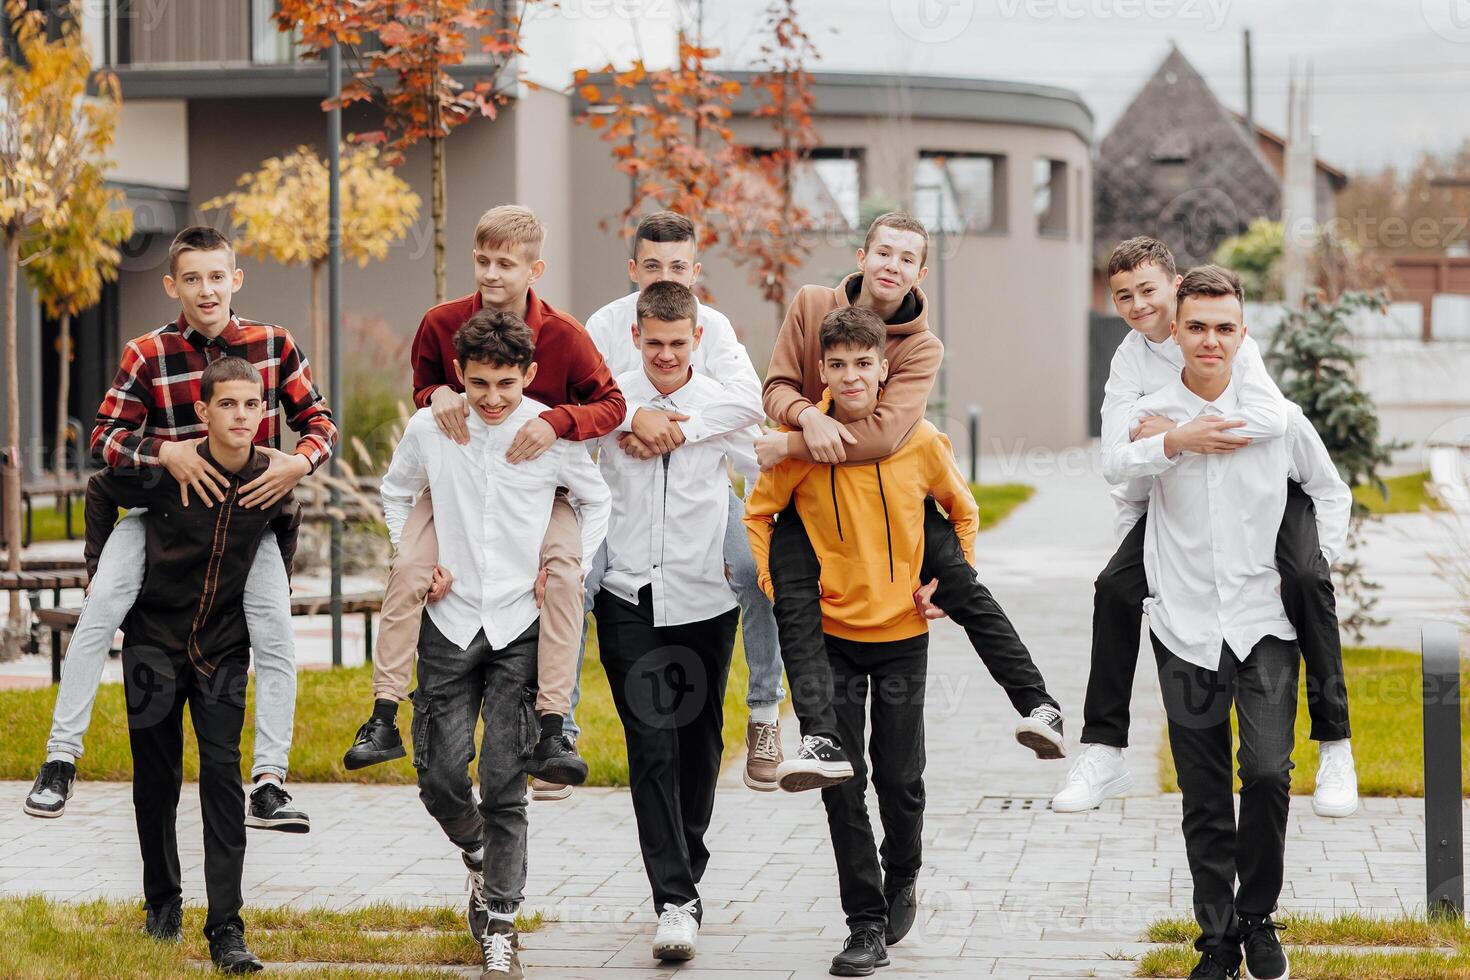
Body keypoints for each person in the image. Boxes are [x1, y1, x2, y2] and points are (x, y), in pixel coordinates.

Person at [25, 226, 333, 834]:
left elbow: (318, 420)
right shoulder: (147, 353)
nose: (206, 289)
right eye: (192, 278)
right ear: (173, 286)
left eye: (217, 276)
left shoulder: (274, 344)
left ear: (235, 279)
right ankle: (60, 760)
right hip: (159, 514)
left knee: (275, 634)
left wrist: (298, 462)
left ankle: (269, 783)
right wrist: (167, 453)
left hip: (248, 520)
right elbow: (105, 439)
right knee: (99, 610)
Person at [1053, 237, 1357, 819]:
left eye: (1148, 290)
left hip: (1270, 492)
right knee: (1114, 588)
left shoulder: (1220, 329)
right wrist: (1175, 439)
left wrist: (1182, 425)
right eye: (1123, 297)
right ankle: (1104, 748)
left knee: (1304, 577)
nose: (1139, 305)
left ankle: (1336, 744)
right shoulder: (1129, 359)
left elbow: (1273, 418)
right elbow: (1116, 459)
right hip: (1177, 496)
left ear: (1175, 284)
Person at [756, 212, 1064, 787]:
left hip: (891, 490)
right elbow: (775, 387)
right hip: (811, 495)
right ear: (861, 256)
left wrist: (793, 443)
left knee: (961, 584)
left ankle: (1038, 704)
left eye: (906, 258)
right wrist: (804, 417)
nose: (892, 265)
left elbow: (883, 435)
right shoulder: (810, 304)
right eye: (883, 252)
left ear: (920, 272)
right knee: (793, 602)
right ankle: (817, 739)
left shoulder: (921, 347)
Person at [344, 205, 624, 808]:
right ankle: (383, 714)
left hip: (540, 476)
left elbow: (611, 405)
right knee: (410, 568)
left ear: (534, 269)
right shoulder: (441, 323)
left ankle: (557, 726)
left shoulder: (565, 336)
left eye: (505, 264)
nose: (491, 274)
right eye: (482, 261)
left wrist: (557, 421)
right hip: (458, 472)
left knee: (563, 579)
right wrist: (441, 393)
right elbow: (421, 389)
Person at [1123, 266, 1349, 980]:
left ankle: (1257, 919)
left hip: (1265, 626)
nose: (1210, 340)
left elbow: (1329, 488)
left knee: (1268, 772)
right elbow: (1121, 487)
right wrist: (1167, 442)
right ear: (1177, 332)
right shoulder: (1154, 412)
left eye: (1225, 327)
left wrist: (1315, 564)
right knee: (1203, 791)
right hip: (1183, 625)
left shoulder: (1276, 416)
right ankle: (1217, 939)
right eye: (1197, 327)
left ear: (1242, 333)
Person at [746, 307, 979, 977]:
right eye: (838, 365)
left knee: (901, 778)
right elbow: (758, 512)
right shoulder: (803, 446)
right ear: (823, 370)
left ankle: (901, 871)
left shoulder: (921, 439)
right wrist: (778, 584)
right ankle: (864, 922)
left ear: (884, 369)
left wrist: (947, 581)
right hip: (833, 639)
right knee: (843, 778)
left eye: (863, 364)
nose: (851, 376)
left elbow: (961, 510)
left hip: (903, 634)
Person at [379, 310, 610, 980]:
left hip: (518, 624)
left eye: (505, 383)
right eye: (478, 383)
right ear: (459, 374)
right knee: (440, 774)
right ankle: (478, 855)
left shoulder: (548, 432)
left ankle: (502, 924)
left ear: (530, 375)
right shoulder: (432, 428)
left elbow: (596, 503)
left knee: (506, 783)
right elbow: (396, 493)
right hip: (451, 621)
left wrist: (562, 570)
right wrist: (420, 561)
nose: (491, 397)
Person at [84, 357, 305, 973]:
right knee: (155, 779)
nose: (240, 416)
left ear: (263, 414)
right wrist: (99, 575)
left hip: (222, 652)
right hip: (152, 646)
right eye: (227, 405)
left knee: (221, 776)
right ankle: (162, 903)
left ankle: (226, 927)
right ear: (202, 411)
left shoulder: (270, 476)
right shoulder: (169, 470)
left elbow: (285, 523)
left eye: (252, 406)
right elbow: (101, 490)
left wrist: (269, 589)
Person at [581, 210, 782, 792]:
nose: (662, 275)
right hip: (615, 490)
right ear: (632, 268)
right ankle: (556, 726)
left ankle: (766, 713)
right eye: (650, 265)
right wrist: (630, 422)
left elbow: (745, 402)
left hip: (701, 483)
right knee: (571, 580)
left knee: (753, 570)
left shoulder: (710, 325)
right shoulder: (605, 323)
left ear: (695, 269)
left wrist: (675, 429)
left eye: (676, 266)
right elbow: (579, 401)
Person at [591, 281, 760, 962]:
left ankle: (686, 858)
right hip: (628, 596)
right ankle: (675, 899)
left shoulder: (721, 404)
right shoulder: (610, 400)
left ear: (697, 339)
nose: (665, 354)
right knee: (651, 744)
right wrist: (631, 415)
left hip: (704, 598)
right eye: (653, 342)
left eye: (677, 342)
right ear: (636, 337)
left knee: (700, 744)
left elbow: (760, 468)